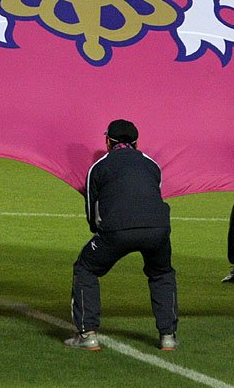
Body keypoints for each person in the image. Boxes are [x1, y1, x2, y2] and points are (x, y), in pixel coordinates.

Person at [66, 120, 179, 351]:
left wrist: (100, 234)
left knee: (86, 268)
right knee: (162, 273)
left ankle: (87, 334)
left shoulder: (98, 167)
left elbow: (92, 212)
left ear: (108, 141)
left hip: (117, 230)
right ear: (136, 142)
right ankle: (168, 335)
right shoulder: (152, 165)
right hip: (158, 229)